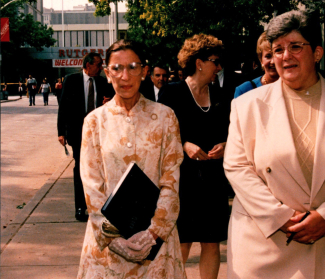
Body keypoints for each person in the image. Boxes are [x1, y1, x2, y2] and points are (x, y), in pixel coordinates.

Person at [223, 10, 325, 279]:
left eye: (296, 47)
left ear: (317, 53)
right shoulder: (246, 106)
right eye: (278, 49)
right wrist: (280, 218)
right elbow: (236, 167)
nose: (286, 56)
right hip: (267, 249)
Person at [77, 39, 186, 279]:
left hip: (156, 248)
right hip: (107, 251)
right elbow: (91, 186)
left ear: (144, 72)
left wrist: (154, 233)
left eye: (133, 67)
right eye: (116, 68)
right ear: (107, 73)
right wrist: (113, 239)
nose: (124, 76)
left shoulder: (165, 117)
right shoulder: (94, 122)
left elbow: (172, 179)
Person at [158, 33, 230, 279]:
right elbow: (161, 137)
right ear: (199, 62)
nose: (218, 67)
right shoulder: (172, 92)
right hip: (183, 181)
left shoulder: (221, 95)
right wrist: (184, 144)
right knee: (182, 242)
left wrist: (225, 144)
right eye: (215, 61)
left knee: (212, 243)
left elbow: (230, 131)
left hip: (213, 181)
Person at [57, 52, 115, 222]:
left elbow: (113, 101)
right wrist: (61, 132)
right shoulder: (71, 80)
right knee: (81, 169)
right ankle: (80, 207)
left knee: (100, 169)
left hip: (99, 133)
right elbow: (64, 108)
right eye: (98, 64)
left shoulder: (103, 82)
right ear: (88, 65)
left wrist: (108, 103)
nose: (100, 68)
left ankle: (98, 205)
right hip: (77, 133)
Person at [234, 31, 279, 98]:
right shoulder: (245, 90)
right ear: (261, 60)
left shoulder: (294, 87)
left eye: (276, 55)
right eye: (268, 56)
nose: (272, 61)